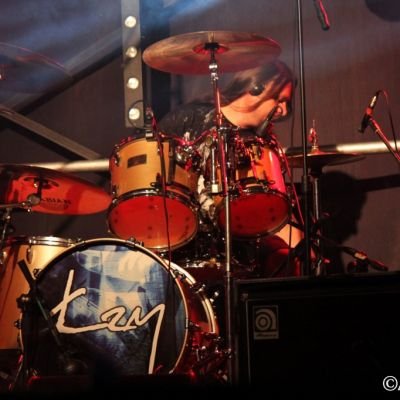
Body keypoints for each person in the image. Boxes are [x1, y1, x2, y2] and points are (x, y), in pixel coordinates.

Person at [157, 59, 304, 279]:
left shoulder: (261, 145)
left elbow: (273, 209)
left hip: (239, 257)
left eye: (287, 104)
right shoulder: (189, 119)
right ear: (255, 88)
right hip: (178, 247)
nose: (283, 111)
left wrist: (299, 250)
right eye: (280, 100)